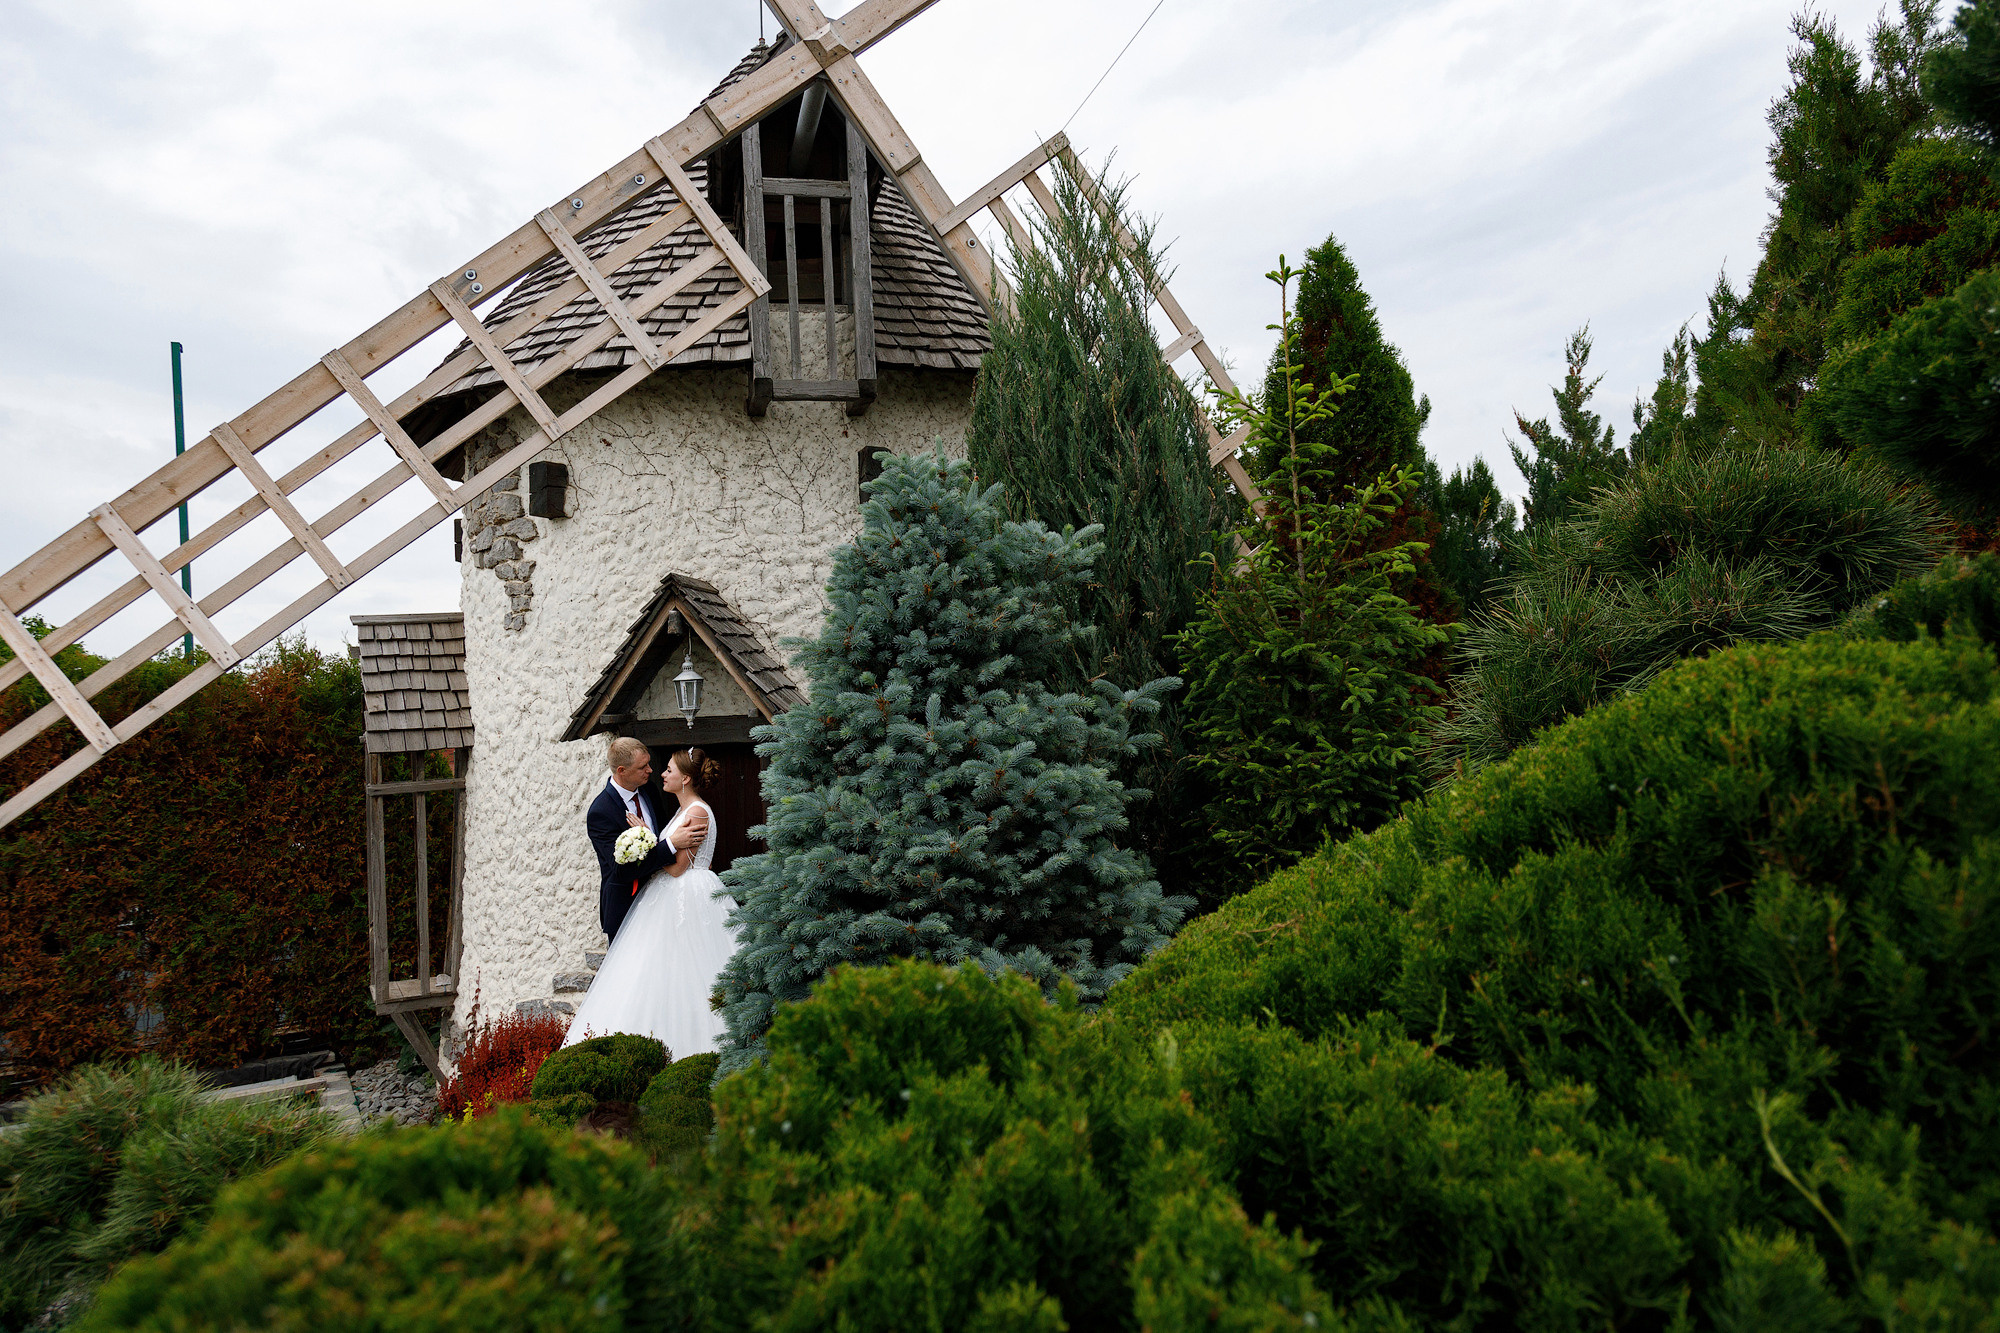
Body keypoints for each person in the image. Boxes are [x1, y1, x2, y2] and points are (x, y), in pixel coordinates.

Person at [562, 746, 738, 1054]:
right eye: (648, 766)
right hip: (639, 901)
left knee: (687, 971)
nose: (657, 773)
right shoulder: (603, 811)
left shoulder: (685, 807)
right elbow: (622, 866)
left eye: (667, 769)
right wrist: (666, 842)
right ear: (621, 772)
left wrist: (656, 840)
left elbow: (678, 867)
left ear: (685, 778)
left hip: (683, 895)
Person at [587, 736, 707, 941]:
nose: (651, 770)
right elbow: (620, 870)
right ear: (621, 771)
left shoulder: (649, 790)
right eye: (643, 767)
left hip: (662, 902)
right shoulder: (601, 812)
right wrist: (671, 844)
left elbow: (661, 833)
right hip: (625, 907)